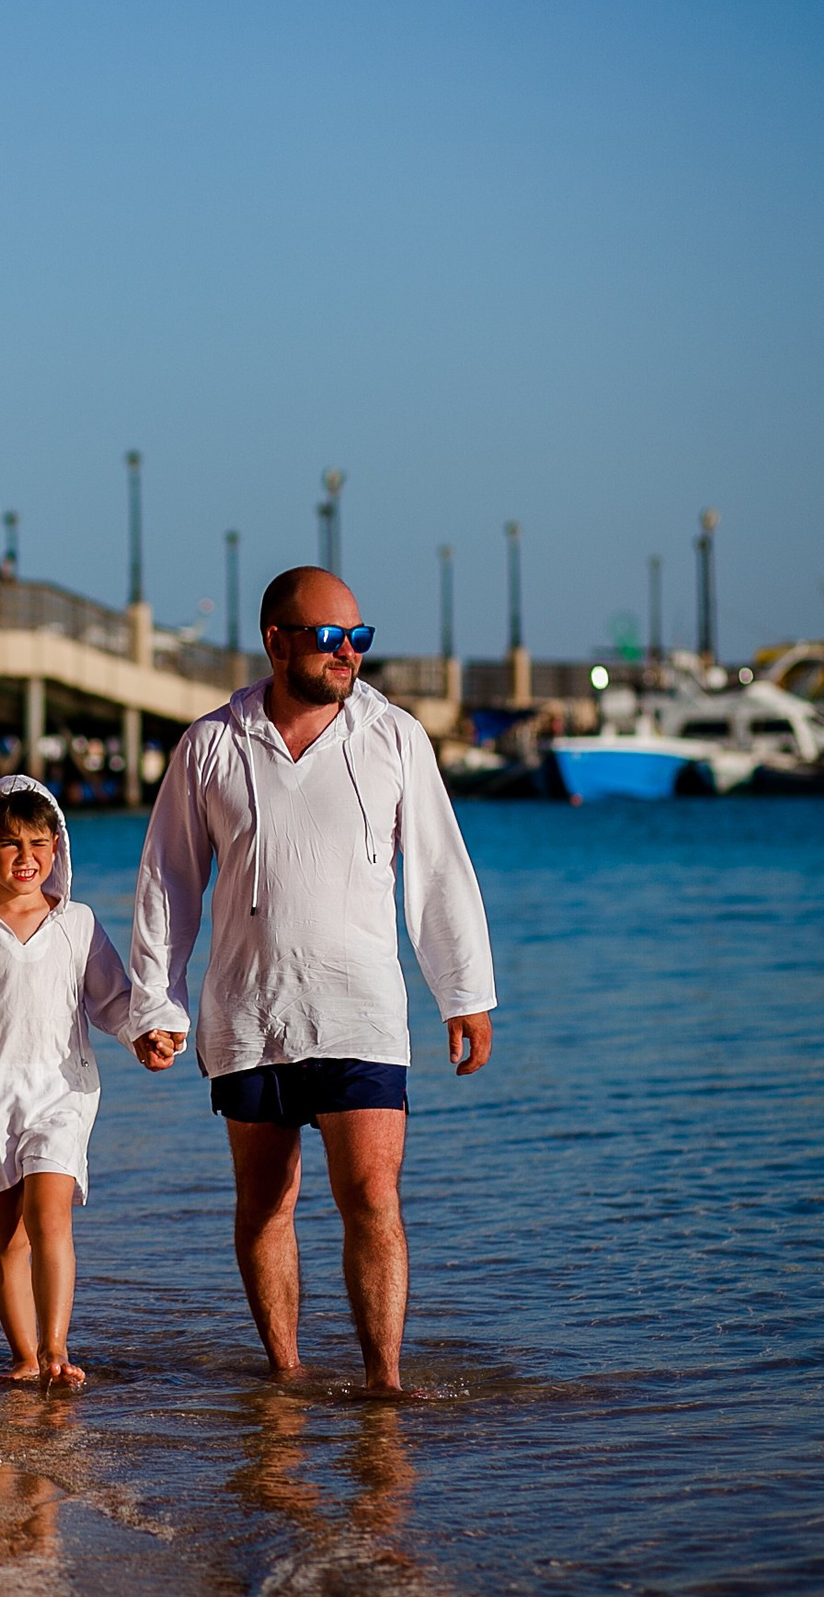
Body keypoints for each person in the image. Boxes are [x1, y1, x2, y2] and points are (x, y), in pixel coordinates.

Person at [129, 566, 497, 1393]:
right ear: (276, 640)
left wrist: (463, 991)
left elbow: (439, 869)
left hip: (362, 1009)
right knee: (265, 1202)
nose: (348, 654)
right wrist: (158, 1001)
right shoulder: (211, 744)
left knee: (371, 1194)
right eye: (331, 637)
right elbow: (168, 881)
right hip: (249, 1014)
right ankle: (288, 1378)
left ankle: (384, 1383)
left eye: (359, 638)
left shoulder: (393, 736)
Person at [0, 776, 184, 1390]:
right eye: (8, 844)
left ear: (56, 849)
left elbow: (112, 1000)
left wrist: (147, 1034)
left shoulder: (76, 924)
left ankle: (57, 1350)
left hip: (62, 1093)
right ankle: (24, 1356)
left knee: (49, 1215)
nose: (24, 857)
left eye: (37, 842)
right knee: (5, 1235)